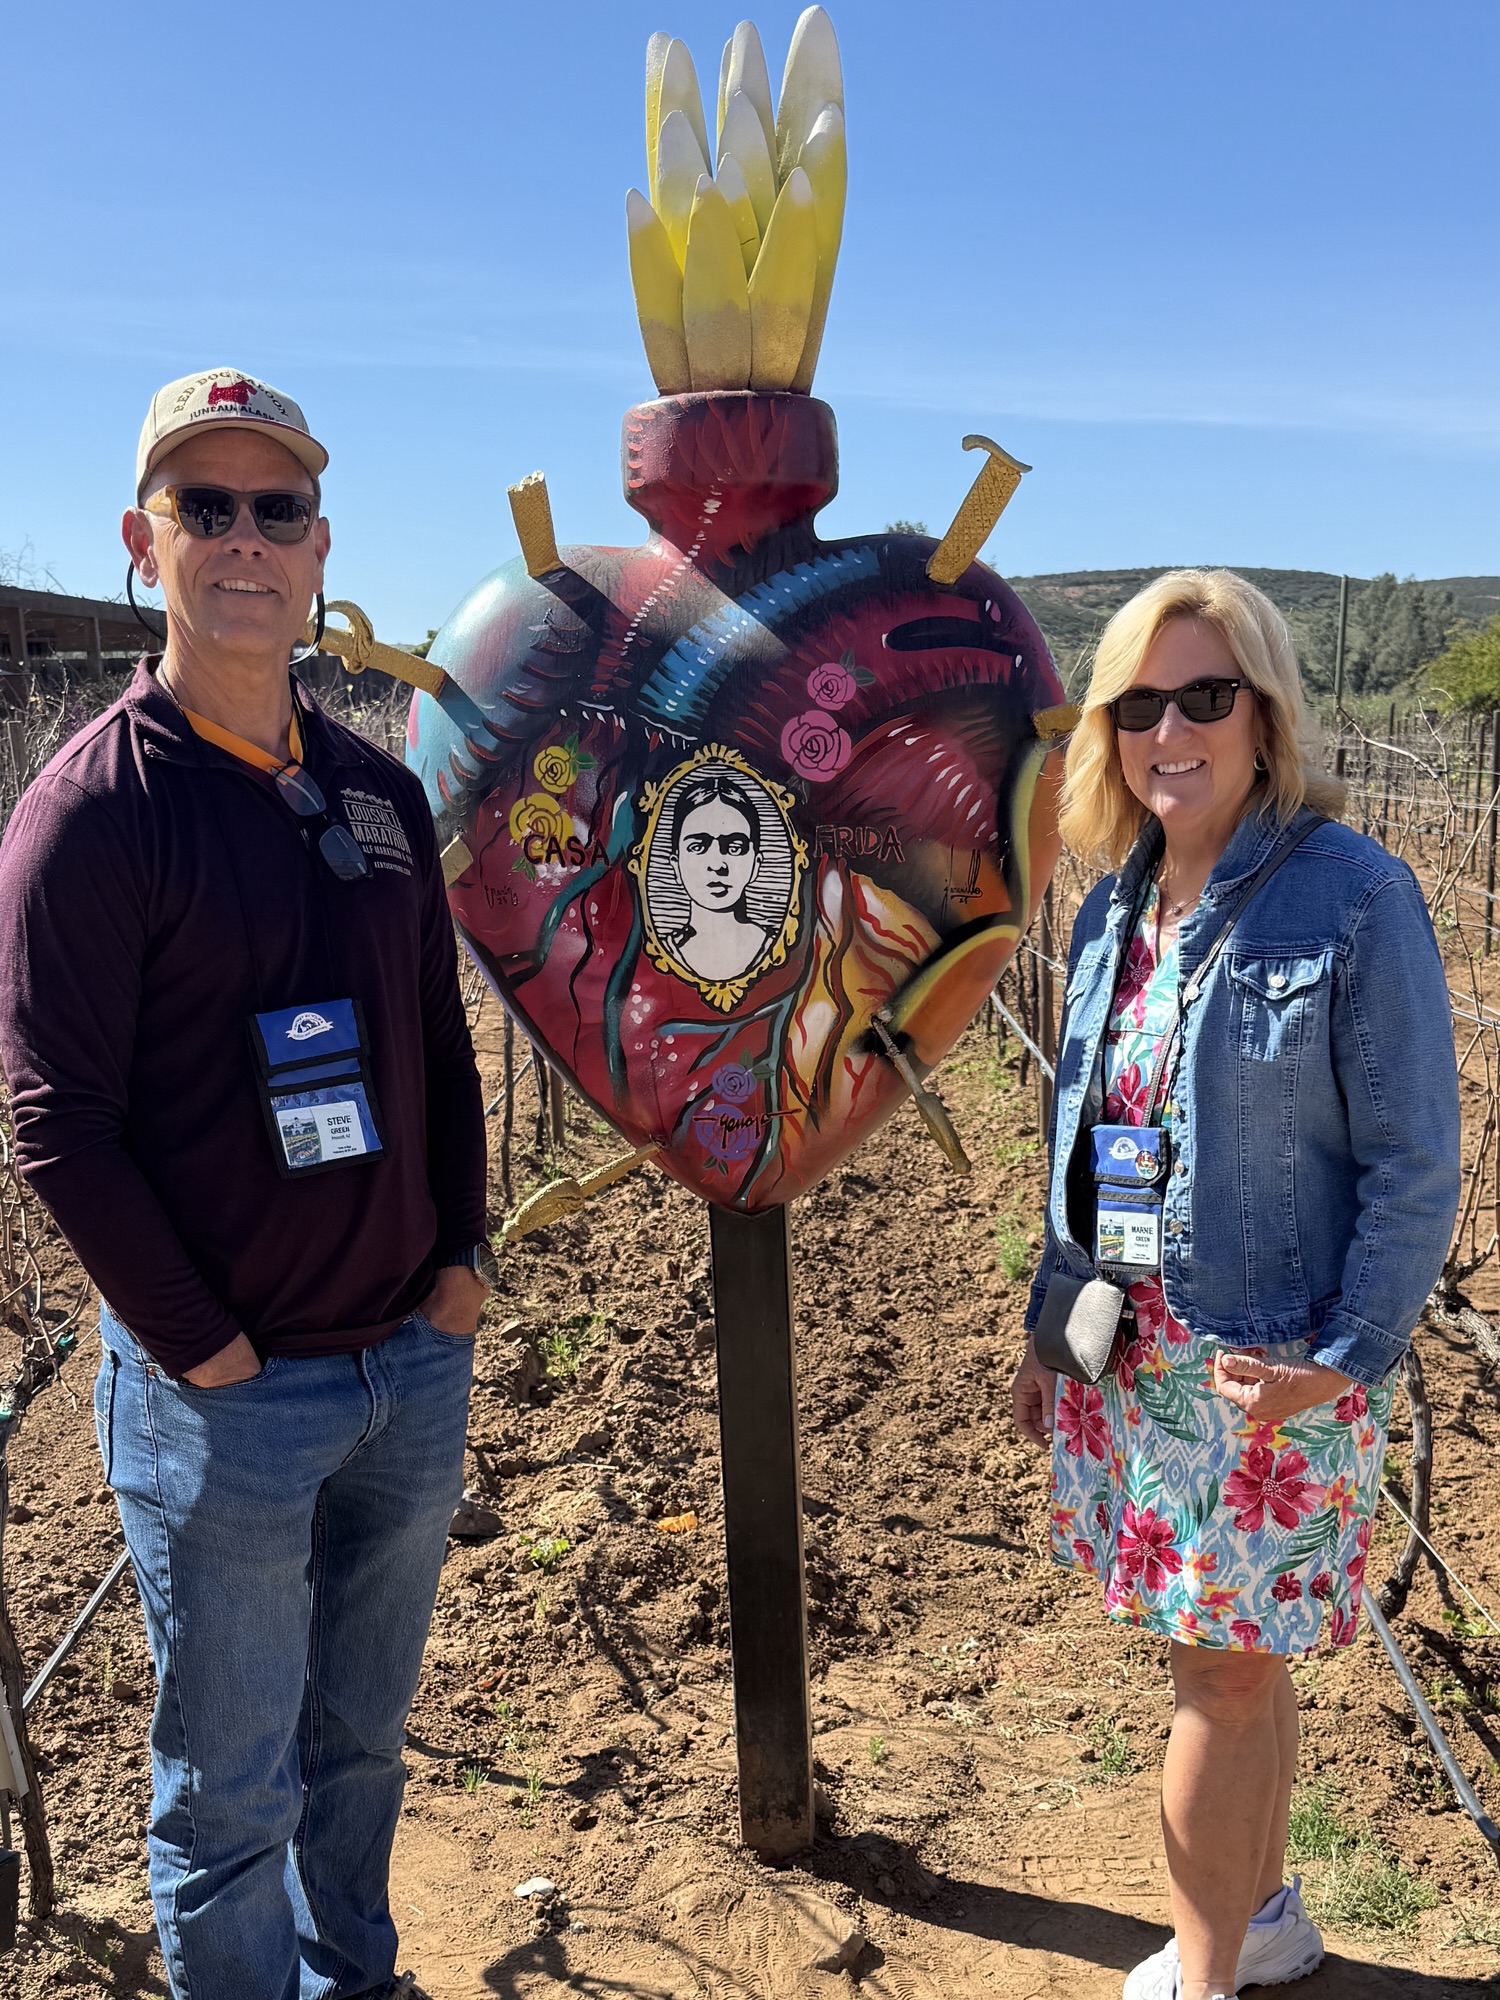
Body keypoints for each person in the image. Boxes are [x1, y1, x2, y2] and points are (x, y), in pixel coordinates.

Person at [0, 368, 494, 2000]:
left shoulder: (377, 792)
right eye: (202, 506)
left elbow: (433, 1031)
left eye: (274, 509)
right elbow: (56, 1121)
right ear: (144, 542)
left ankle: (356, 1980)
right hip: (229, 1404)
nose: (242, 539)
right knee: (228, 1798)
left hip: (405, 1370)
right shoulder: (90, 817)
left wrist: (462, 1263)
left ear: (320, 545)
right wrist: (206, 1349)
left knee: (359, 1751)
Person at [1008, 569, 1459, 2000]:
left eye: (1205, 695)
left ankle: (1205, 1979)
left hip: (1270, 1376)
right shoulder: (1111, 915)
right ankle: (1260, 1917)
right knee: (1229, 1670)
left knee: (1223, 1679)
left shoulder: (1353, 896)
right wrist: (1051, 1322)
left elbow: (1412, 1165)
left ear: (1266, 714)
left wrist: (1351, 1353)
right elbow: (1095, 1147)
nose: (1170, 729)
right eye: (1139, 704)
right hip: (1132, 1361)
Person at [664, 771, 772, 979]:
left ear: (756, 864)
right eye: (697, 846)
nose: (716, 864)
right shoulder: (666, 951)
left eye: (733, 848)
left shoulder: (773, 946)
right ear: (676, 866)